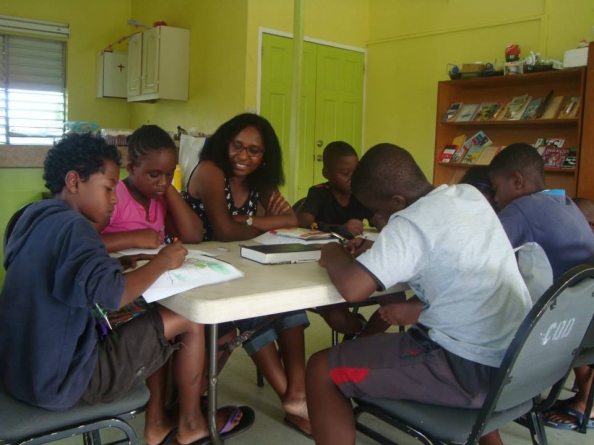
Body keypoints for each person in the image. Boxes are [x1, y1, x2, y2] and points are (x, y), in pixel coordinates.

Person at [0, 133, 249, 445]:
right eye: (108, 188)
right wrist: (162, 262)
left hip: (18, 372)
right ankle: (190, 424)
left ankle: (160, 417)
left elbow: (55, 270)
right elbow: (113, 295)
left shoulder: (31, 216)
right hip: (65, 381)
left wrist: (117, 265)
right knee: (188, 319)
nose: (115, 198)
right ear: (74, 182)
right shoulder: (76, 227)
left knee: (146, 320)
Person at [305, 143, 532, 445]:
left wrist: (332, 250)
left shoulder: (410, 221)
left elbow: (353, 288)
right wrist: (381, 251)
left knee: (321, 370)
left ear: (398, 201)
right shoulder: (467, 195)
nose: (375, 217)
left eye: (377, 210)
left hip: (464, 369)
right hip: (515, 363)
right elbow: (437, 247)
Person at [183, 113, 311, 435]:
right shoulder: (211, 171)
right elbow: (224, 231)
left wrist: (250, 220)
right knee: (253, 312)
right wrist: (248, 222)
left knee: (288, 300)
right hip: (202, 270)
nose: (244, 156)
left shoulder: (261, 183)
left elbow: (290, 218)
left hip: (242, 263)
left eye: (254, 151)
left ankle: (299, 393)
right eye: (237, 146)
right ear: (225, 143)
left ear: (265, 156)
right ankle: (292, 401)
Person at [484, 143, 594, 442]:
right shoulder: (568, 205)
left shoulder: (524, 208)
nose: (496, 198)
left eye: (496, 188)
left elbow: (479, 252)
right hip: (579, 329)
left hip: (545, 340)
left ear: (517, 181)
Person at [298, 141, 404, 339]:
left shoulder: (359, 195)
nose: (351, 179)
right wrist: (340, 228)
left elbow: (378, 220)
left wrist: (385, 218)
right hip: (323, 264)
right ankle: (358, 329)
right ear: (327, 173)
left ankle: (360, 341)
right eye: (345, 173)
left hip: (360, 260)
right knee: (339, 320)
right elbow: (304, 221)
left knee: (396, 301)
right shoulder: (319, 192)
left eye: (355, 173)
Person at [101, 124, 203, 251]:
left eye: (170, 173)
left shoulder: (161, 198)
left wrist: (170, 190)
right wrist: (133, 238)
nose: (163, 182)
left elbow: (193, 236)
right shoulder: (115, 197)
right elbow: (82, 242)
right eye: (154, 175)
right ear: (131, 168)